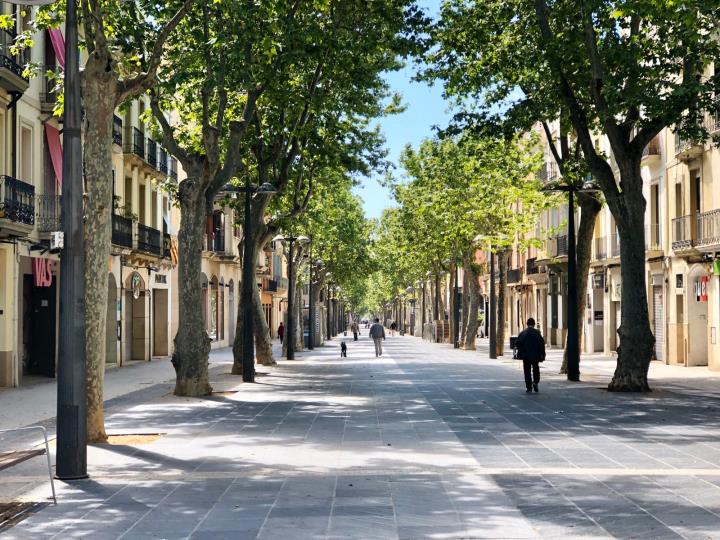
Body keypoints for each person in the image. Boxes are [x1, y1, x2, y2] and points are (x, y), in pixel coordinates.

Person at [515, 318, 545, 393]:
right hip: (535, 355)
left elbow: (517, 343)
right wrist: (542, 354)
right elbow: (542, 344)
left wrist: (522, 351)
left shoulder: (523, 333)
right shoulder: (537, 333)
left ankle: (529, 387)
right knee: (536, 369)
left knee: (527, 371)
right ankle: (535, 382)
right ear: (534, 324)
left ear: (527, 324)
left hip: (526, 356)